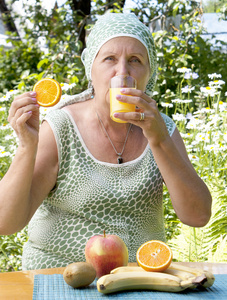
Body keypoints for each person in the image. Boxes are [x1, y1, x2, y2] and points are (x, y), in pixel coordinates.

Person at [0, 13, 212, 270]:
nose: (122, 72)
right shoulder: (61, 128)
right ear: (92, 69)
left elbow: (198, 215)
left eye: (135, 60)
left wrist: (159, 141)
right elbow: (5, 222)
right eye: (109, 59)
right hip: (58, 278)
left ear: (149, 73)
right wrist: (26, 147)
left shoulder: (162, 128)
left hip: (137, 280)